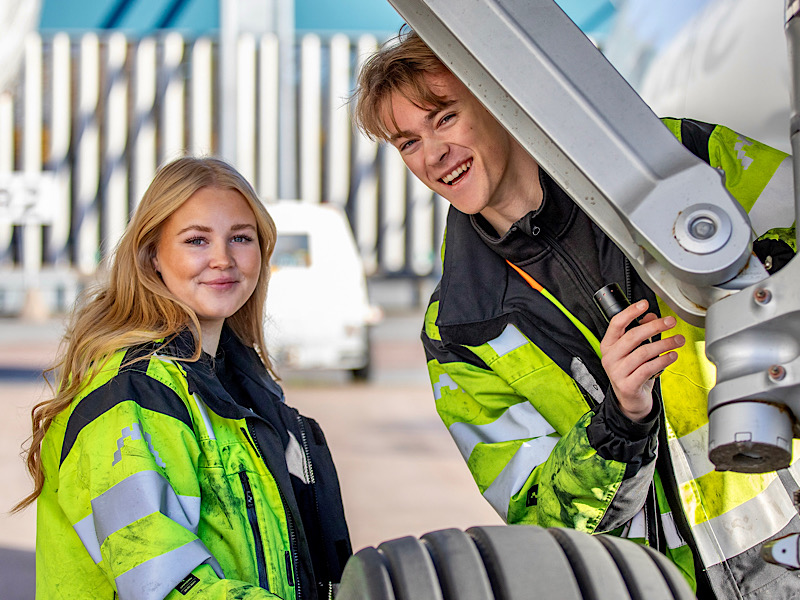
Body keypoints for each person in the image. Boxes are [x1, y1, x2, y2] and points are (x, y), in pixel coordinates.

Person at [352, 26, 798, 599]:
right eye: (407, 142)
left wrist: (766, 277)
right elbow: (541, 521)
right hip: (650, 588)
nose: (434, 155)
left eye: (444, 118)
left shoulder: (669, 162)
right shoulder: (459, 326)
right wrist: (620, 420)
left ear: (497, 98)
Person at [14, 157, 352, 599]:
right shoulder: (134, 395)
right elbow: (162, 585)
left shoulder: (241, 386)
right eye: (197, 240)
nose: (223, 259)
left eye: (240, 238)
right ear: (151, 254)